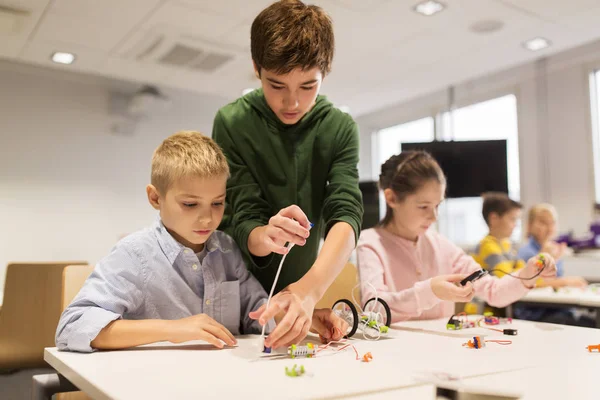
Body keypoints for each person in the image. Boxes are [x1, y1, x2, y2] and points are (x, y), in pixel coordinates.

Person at [56, 131, 345, 352]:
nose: (207, 219)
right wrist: (171, 329)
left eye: (217, 203)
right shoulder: (134, 254)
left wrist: (298, 317)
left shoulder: (227, 251)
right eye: (190, 204)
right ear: (155, 198)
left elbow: (257, 313)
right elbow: (72, 327)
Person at [212, 0, 363, 349]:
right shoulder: (233, 122)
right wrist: (263, 235)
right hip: (232, 291)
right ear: (256, 68)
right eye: (277, 85)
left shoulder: (339, 128)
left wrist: (308, 291)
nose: (292, 102)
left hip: (299, 297)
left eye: (308, 86)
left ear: (325, 72)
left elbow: (346, 211)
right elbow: (240, 214)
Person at [356, 152, 556, 323]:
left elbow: (494, 291)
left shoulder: (440, 245)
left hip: (444, 354)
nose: (433, 216)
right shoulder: (371, 243)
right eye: (423, 206)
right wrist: (430, 291)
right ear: (391, 198)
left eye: (437, 206)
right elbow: (374, 310)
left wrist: (529, 272)